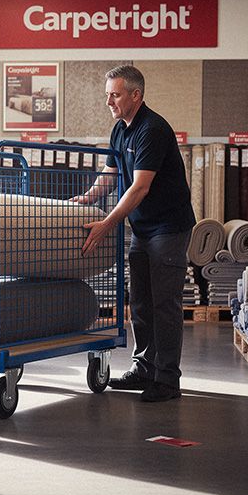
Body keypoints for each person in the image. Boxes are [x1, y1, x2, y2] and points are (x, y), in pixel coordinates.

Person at [74, 65, 195, 402]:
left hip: (168, 227)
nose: (108, 102)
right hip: (142, 228)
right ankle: (144, 369)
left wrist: (107, 224)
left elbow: (140, 187)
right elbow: (109, 174)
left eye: (115, 95)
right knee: (140, 301)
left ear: (135, 95)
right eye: (107, 95)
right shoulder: (120, 129)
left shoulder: (152, 130)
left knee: (164, 304)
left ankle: (167, 380)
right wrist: (85, 199)